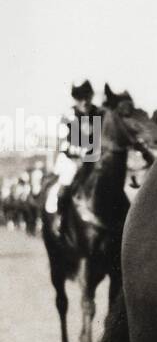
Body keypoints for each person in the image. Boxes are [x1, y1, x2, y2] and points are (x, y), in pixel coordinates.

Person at [45, 80, 101, 236]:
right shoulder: (68, 116)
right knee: (66, 182)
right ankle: (60, 218)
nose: (84, 101)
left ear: (91, 96)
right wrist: (77, 157)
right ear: (75, 99)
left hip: (95, 159)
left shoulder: (99, 113)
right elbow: (63, 143)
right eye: (80, 98)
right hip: (72, 159)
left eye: (87, 97)